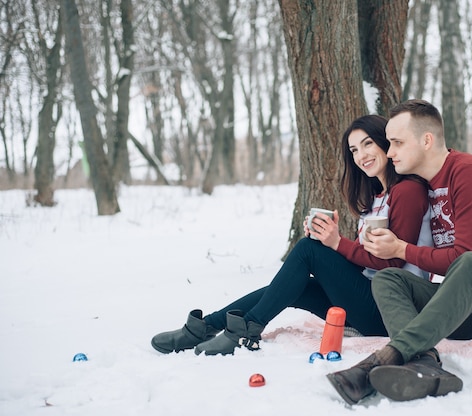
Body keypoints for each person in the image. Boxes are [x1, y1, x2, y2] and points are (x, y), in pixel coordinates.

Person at [151, 114, 433, 357]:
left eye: (368, 144)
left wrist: (335, 244)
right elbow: (369, 260)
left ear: (386, 143)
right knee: (301, 285)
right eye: (354, 150)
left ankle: (247, 329)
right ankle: (205, 327)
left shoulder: (407, 191)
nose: (361, 155)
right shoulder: (377, 197)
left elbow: (394, 262)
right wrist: (332, 242)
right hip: (369, 297)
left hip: (389, 310)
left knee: (308, 250)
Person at [327, 99, 472, 404]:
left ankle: (380, 360)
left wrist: (403, 249)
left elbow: (466, 259)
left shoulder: (469, 172)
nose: (389, 152)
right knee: (389, 278)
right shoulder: (422, 187)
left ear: (427, 141)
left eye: (397, 143)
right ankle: (425, 364)